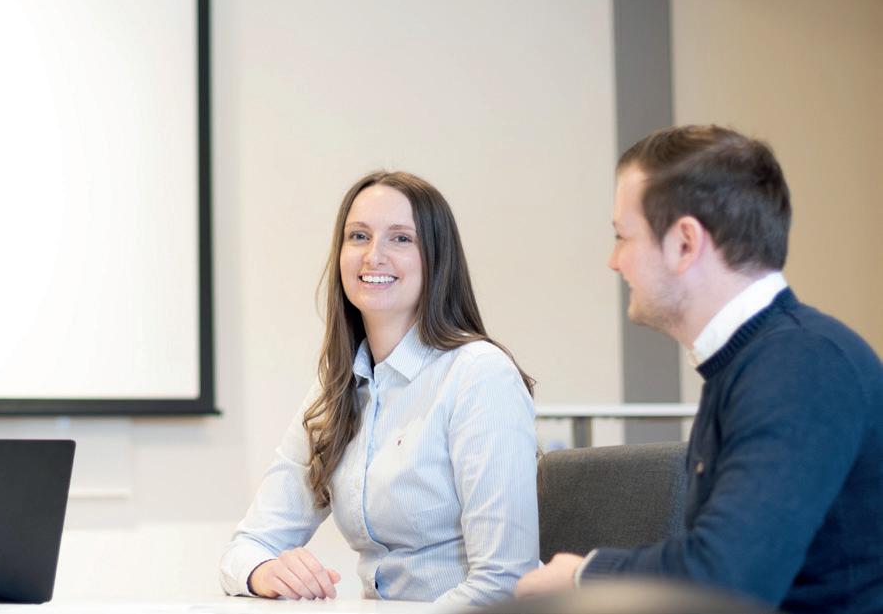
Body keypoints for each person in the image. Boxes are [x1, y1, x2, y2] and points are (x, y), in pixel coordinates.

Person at [516, 125, 883, 613]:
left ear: (685, 243)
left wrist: (585, 577)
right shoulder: (757, 362)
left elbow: (727, 579)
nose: (613, 261)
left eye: (622, 237)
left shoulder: (801, 367)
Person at [219, 171, 540, 605]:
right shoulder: (337, 388)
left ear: (436, 258)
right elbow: (247, 546)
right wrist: (266, 571)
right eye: (359, 236)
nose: (374, 256)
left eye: (401, 239)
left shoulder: (479, 375)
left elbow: (504, 582)